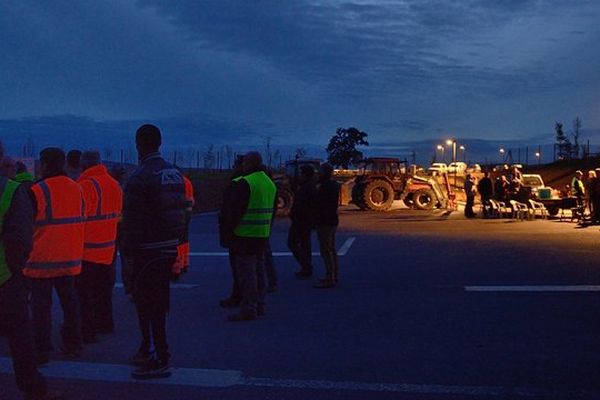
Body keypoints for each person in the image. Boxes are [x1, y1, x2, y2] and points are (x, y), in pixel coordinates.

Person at [121, 124, 186, 379]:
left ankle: (158, 354)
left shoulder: (140, 177)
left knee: (147, 303)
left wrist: (127, 254)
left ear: (138, 144)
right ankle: (150, 348)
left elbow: (132, 221)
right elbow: (182, 209)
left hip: (147, 249)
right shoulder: (174, 172)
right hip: (169, 245)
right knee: (159, 301)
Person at [0, 145, 62, 400]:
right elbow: (20, 240)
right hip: (5, 277)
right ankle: (32, 387)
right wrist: (17, 272)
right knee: (20, 336)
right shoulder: (10, 190)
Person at [24, 148, 84, 364]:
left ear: (45, 164)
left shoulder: (37, 190)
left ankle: (42, 351)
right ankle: (73, 344)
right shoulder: (77, 188)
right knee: (70, 303)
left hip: (42, 259)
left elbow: (27, 224)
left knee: (41, 308)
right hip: (69, 257)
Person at [219, 151, 276, 322]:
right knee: (259, 271)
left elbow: (233, 213)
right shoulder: (269, 183)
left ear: (248, 163)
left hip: (244, 235)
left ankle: (248, 308)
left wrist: (227, 234)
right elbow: (272, 212)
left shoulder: (244, 183)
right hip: (262, 234)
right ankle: (260, 305)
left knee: (247, 274)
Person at [76, 151, 123, 343]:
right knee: (104, 290)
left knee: (85, 293)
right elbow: (119, 216)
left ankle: (87, 330)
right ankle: (106, 323)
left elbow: (79, 217)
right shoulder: (114, 185)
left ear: (84, 165)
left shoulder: (84, 186)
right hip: (109, 246)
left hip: (88, 249)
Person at [219, 156, 245, 308]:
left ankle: (239, 296)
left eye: (236, 164)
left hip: (239, 233)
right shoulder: (245, 182)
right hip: (251, 232)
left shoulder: (238, 184)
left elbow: (232, 211)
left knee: (239, 268)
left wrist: (227, 229)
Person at [288, 165, 317, 278]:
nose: (299, 175)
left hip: (301, 220)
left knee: (293, 243)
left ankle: (306, 265)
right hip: (304, 220)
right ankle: (306, 267)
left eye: (301, 173)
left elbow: (304, 206)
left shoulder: (307, 188)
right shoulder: (307, 187)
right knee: (305, 244)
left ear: (305, 174)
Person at [314, 163, 340, 288]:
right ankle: (334, 274)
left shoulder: (325, 186)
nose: (318, 173)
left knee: (326, 250)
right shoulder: (334, 185)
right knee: (331, 249)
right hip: (331, 220)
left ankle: (330, 277)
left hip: (325, 221)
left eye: (320, 171)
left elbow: (319, 204)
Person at [172, 173, 195, 278]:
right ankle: (184, 263)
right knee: (184, 239)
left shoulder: (176, 182)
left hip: (179, 212)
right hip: (187, 212)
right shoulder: (187, 181)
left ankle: (177, 267)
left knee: (176, 239)